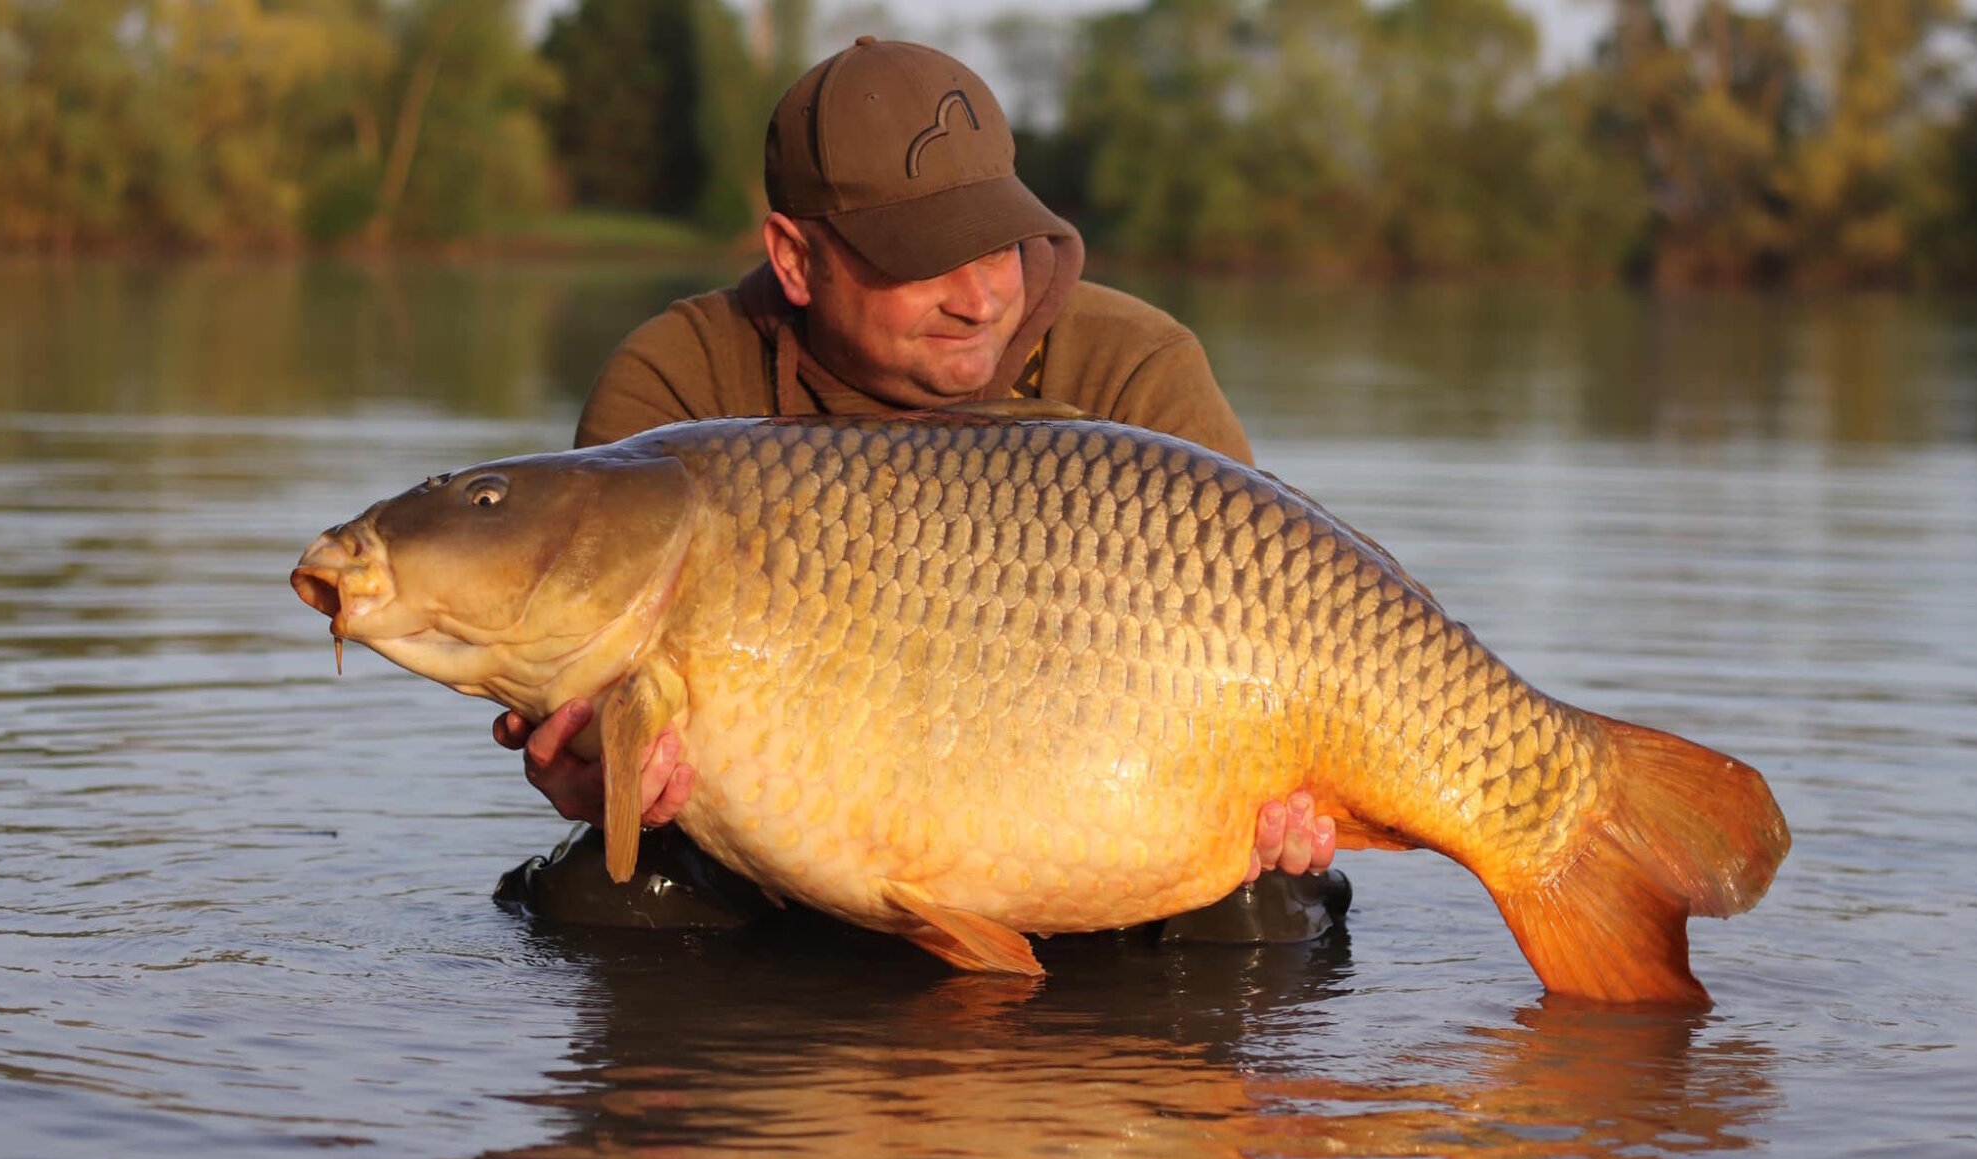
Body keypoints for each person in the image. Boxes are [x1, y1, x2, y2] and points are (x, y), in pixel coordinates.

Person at [492, 37, 1346, 942]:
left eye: (1000, 248)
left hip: (1099, 848)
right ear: (794, 259)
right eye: (926, 259)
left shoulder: (1136, 371)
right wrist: (596, 765)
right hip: (798, 857)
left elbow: (1281, 632)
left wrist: (1288, 797)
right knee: (604, 907)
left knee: (1262, 917)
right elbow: (592, 691)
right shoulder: (679, 391)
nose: (979, 299)